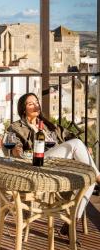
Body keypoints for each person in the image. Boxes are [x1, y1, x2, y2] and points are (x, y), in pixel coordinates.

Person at [7, 92, 100, 223]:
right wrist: (16, 151)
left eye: (36, 102)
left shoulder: (48, 125)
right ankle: (99, 177)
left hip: (58, 164)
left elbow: (69, 136)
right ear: (23, 109)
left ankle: (73, 221)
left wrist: (84, 148)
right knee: (79, 147)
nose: (36, 105)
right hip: (38, 162)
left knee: (89, 176)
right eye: (30, 104)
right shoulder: (16, 127)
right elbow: (11, 146)